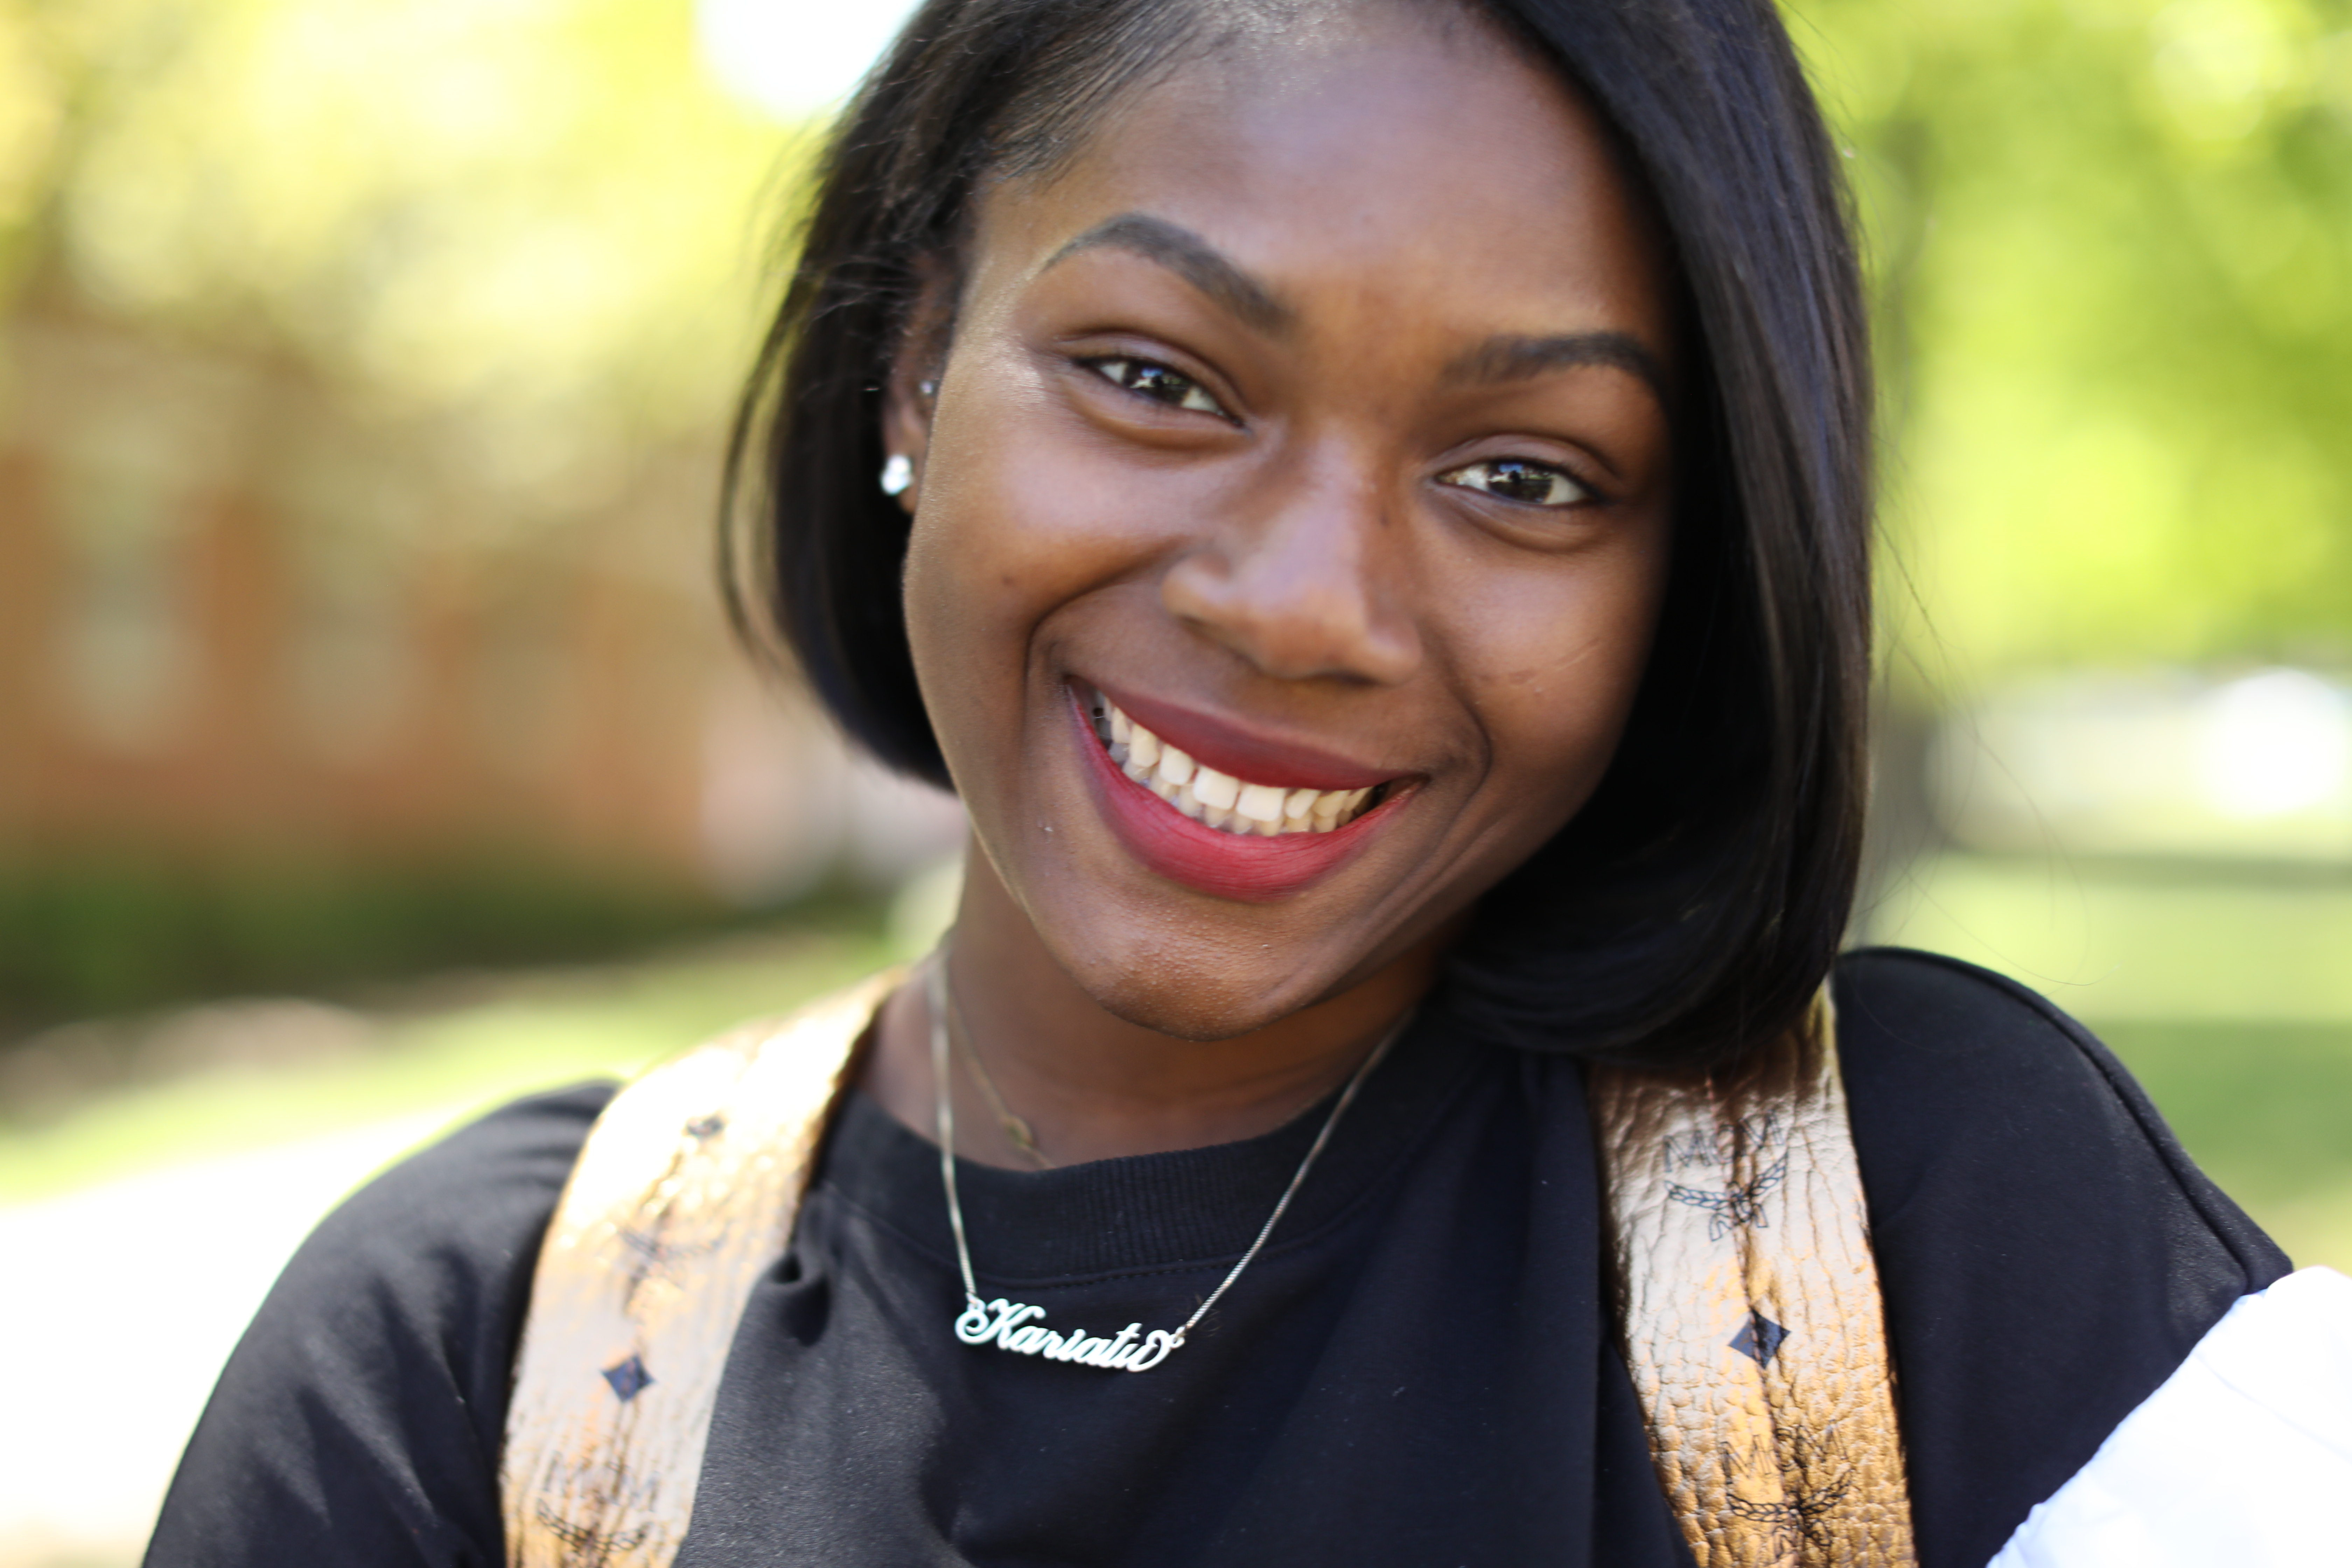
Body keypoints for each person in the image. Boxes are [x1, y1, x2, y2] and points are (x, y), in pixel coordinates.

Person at [145, 1, 2342, 1565]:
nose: (1306, 607)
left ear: (1692, 570)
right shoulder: (480, 1351)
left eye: (1524, 475)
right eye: (1155, 376)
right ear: (915, 357)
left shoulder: (1917, 1243)